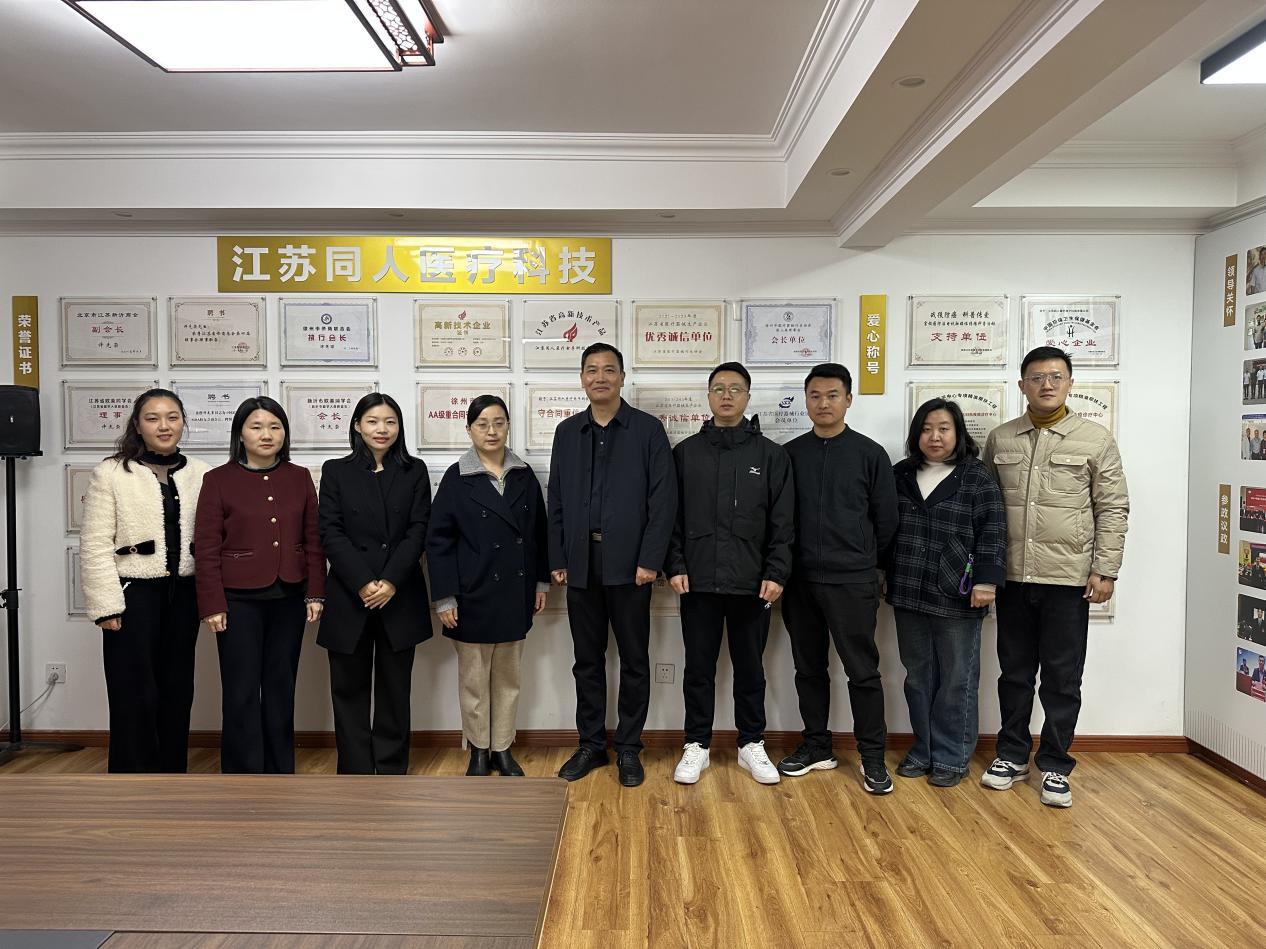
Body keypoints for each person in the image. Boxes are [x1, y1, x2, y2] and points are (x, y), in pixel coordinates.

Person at [981, 346, 1129, 808]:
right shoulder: (1001, 438)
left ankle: (1055, 764)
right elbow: (985, 509)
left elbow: (1113, 507)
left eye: (1056, 376)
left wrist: (1105, 569)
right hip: (1013, 578)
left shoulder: (1095, 439)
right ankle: (1011, 755)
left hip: (1068, 580)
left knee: (1063, 677)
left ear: (1069, 383)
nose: (1046, 384)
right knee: (1014, 674)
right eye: (1037, 377)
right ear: (1022, 385)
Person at [548, 342, 676, 787]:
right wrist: (559, 557)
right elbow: (557, 499)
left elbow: (663, 502)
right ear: (581, 379)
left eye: (608, 370)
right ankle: (590, 744)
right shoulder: (567, 432)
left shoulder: (647, 430)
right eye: (591, 370)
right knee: (586, 660)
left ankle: (628, 748)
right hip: (581, 563)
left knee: (635, 660)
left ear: (622, 377)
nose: (599, 377)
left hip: (631, 565)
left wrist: (650, 560)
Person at [665, 362, 794, 786]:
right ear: (708, 396)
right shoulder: (686, 453)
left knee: (750, 669)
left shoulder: (771, 455)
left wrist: (777, 572)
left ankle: (750, 743)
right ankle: (696, 745)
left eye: (735, 389)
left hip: (752, 583)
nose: (726, 395)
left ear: (747, 397)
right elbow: (670, 517)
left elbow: (783, 522)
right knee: (698, 668)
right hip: (697, 581)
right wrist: (675, 564)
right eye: (718, 388)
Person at [778, 362, 899, 794]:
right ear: (806, 401)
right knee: (808, 668)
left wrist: (872, 567)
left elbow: (886, 520)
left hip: (853, 581)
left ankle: (872, 756)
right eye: (815, 396)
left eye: (832, 395)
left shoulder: (870, 454)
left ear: (848, 399)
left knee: (862, 672)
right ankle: (816, 746)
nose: (823, 403)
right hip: (800, 582)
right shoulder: (790, 454)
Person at [79, 388, 210, 773]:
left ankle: (172, 775)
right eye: (153, 418)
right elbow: (95, 542)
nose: (164, 426)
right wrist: (106, 606)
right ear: (137, 425)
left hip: (183, 594)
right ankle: (129, 779)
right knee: (132, 691)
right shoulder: (111, 472)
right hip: (132, 594)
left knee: (177, 688)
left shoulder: (202, 473)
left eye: (172, 417)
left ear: (183, 422)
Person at [194, 396, 325, 774]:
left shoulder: (299, 477)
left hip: (289, 595)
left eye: (275, 427)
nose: (266, 434)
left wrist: (316, 592)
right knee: (241, 689)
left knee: (281, 686)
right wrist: (212, 603)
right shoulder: (218, 480)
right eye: (256, 427)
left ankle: (280, 768)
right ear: (240, 434)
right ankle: (242, 771)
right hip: (237, 600)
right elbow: (206, 547)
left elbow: (313, 540)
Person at [885, 399, 1006, 788]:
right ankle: (923, 750)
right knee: (917, 677)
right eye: (926, 429)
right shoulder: (901, 474)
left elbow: (993, 529)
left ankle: (953, 756)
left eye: (943, 428)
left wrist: (987, 582)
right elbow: (884, 527)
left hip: (959, 591)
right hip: (908, 588)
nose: (934, 437)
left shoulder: (976, 476)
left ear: (958, 433)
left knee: (957, 679)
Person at [427, 394, 549, 777]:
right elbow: (438, 542)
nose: (491, 431)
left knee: (509, 679)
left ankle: (503, 749)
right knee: (474, 681)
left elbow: (538, 534)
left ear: (508, 426)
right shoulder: (457, 477)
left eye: (498, 422)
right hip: (471, 595)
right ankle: (478, 749)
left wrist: (541, 583)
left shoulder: (524, 475)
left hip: (515, 592)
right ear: (469, 430)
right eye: (482, 424)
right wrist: (445, 598)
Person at [317, 393, 432, 775]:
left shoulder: (414, 470)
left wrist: (391, 581)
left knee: (395, 689)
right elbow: (330, 532)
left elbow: (419, 530)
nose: (382, 429)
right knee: (347, 689)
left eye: (390, 422)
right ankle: (355, 769)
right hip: (350, 594)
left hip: (400, 593)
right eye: (372, 421)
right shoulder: (336, 471)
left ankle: (391, 767)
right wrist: (364, 582)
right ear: (357, 426)